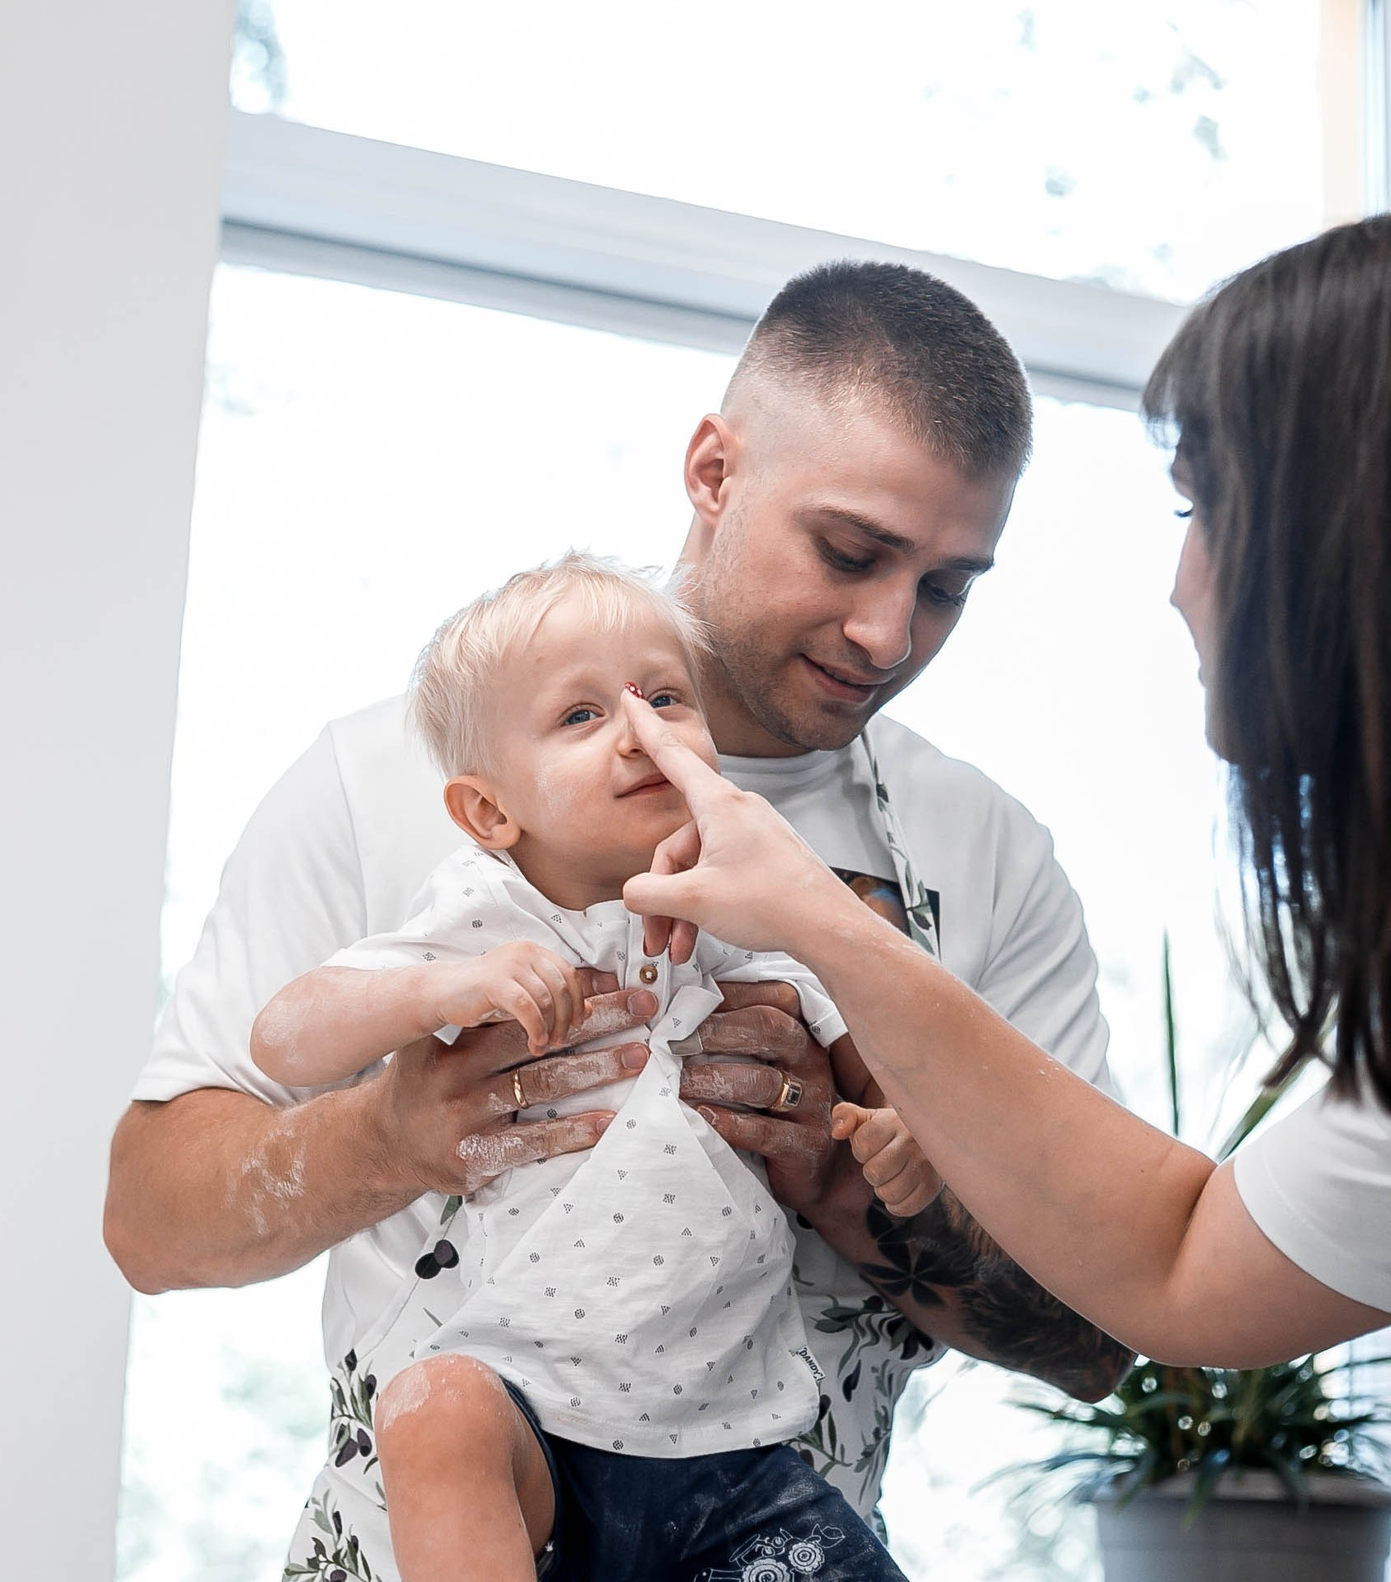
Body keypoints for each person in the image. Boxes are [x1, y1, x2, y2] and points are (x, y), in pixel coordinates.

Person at [610, 208, 1391, 1580]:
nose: (1179, 583)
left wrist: (816, 940)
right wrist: (817, 922)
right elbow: (1189, 1268)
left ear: (1343, 519)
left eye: (1200, 508)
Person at [103, 259, 1137, 1582]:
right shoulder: (388, 779)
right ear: (712, 470)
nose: (889, 632)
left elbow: (1100, 1334)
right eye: (850, 552)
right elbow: (151, 1221)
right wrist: (390, 1132)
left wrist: (838, 1176)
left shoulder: (985, 860)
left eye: (948, 587)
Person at [252, 555, 936, 1582]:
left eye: (666, 699)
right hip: (536, 1431)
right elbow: (283, 1038)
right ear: (489, 814)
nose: (639, 731)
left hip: (734, 1452)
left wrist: (895, 1131)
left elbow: (868, 1045)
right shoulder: (482, 916)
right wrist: (438, 990)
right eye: (581, 716)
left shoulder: (744, 906)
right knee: (433, 1409)